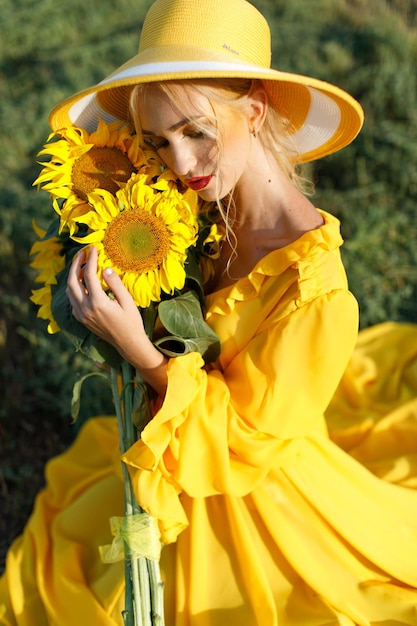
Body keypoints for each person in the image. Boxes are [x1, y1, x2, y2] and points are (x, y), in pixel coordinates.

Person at [2, 0, 417, 624]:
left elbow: (245, 443)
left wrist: (140, 350)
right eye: (157, 142)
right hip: (178, 453)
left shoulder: (317, 296)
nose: (179, 165)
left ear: (255, 110)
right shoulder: (194, 205)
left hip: (258, 492)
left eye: (197, 131)